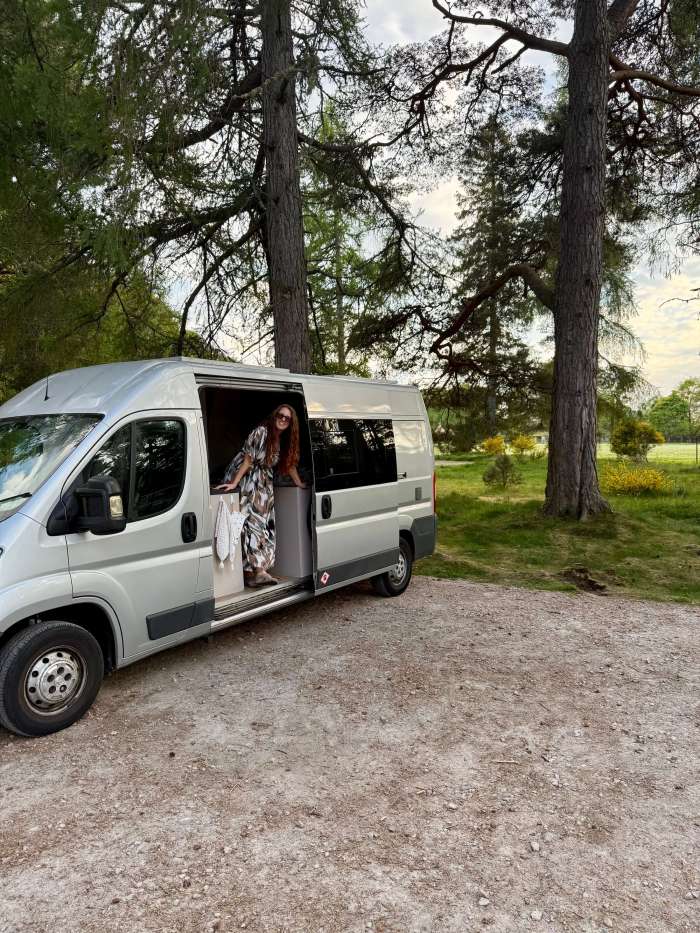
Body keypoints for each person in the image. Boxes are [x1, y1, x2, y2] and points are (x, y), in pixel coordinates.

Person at [216, 404, 305, 587]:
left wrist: (299, 484)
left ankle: (252, 572)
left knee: (264, 525)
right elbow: (248, 460)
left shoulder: (283, 439)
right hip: (248, 479)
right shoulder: (261, 432)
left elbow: (290, 466)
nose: (282, 419)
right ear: (274, 415)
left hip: (264, 483)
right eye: (280, 415)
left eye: (287, 418)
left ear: (291, 423)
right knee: (253, 524)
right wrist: (234, 482)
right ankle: (258, 571)